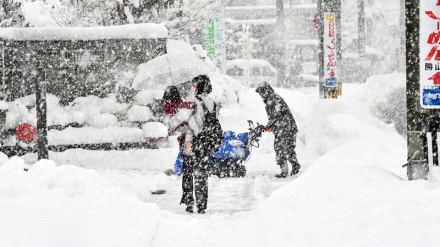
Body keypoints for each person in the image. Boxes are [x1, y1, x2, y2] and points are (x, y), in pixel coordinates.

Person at [180, 75, 217, 214]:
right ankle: (201, 203)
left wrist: (195, 131)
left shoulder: (191, 100)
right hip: (205, 142)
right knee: (201, 173)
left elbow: (187, 119)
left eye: (195, 85)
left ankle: (189, 202)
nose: (193, 87)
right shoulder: (211, 102)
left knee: (188, 170)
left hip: (190, 141)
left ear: (199, 86)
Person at [255, 81, 301, 178]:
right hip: (286, 128)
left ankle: (284, 171)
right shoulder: (269, 100)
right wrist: (270, 126)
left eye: (261, 92)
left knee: (280, 148)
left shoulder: (274, 98)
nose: (261, 95)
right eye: (259, 93)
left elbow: (277, 114)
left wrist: (269, 125)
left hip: (286, 128)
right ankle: (295, 166)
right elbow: (275, 117)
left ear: (266, 91)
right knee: (288, 149)